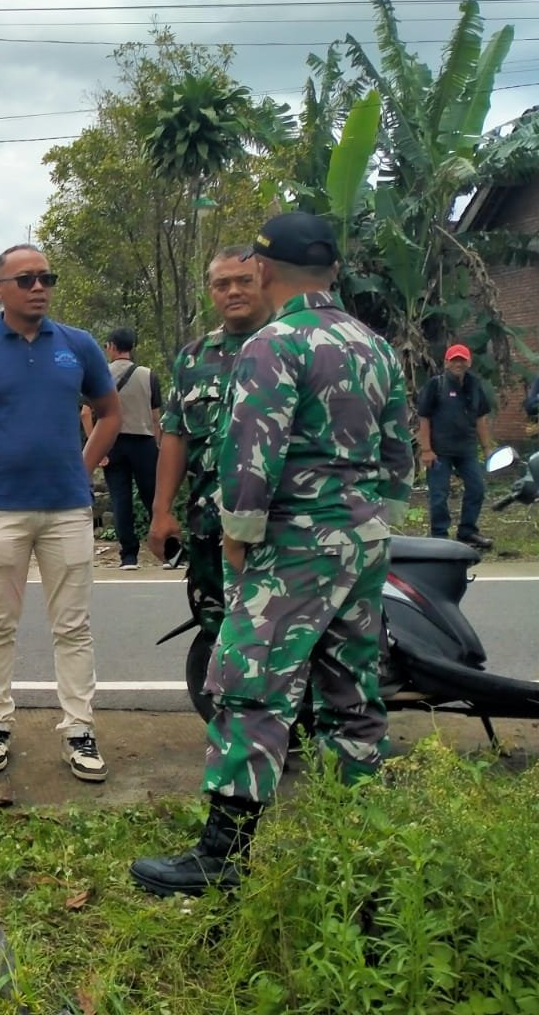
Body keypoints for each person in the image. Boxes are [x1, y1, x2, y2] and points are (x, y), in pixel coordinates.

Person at [131, 211, 413, 897]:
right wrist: (377, 522)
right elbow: (399, 451)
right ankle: (362, 849)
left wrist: (238, 536)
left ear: (261, 270)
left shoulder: (273, 344)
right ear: (333, 270)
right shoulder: (374, 345)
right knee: (352, 692)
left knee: (250, 687)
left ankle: (221, 856)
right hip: (363, 539)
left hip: (294, 545)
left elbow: (252, 454)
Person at [0, 244, 122, 783]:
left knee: (74, 626)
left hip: (67, 510)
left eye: (46, 278)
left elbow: (109, 413)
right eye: (25, 279)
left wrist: (82, 469)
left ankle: (80, 730)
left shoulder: (78, 346)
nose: (38, 287)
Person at [147, 249, 272, 637]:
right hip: (209, 527)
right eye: (222, 284)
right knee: (217, 631)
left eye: (244, 281)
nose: (233, 291)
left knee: (279, 636)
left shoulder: (289, 346)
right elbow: (175, 436)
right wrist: (161, 511)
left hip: (277, 528)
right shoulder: (193, 358)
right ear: (210, 291)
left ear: (265, 280)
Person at [81, 327, 161, 569]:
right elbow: (156, 417)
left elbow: (85, 413)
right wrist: (158, 445)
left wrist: (97, 445)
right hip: (144, 442)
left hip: (112, 443)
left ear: (112, 347)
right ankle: (168, 551)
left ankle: (129, 556)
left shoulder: (100, 375)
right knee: (153, 497)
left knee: (120, 498)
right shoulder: (149, 375)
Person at [417, 344, 496, 550]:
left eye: (462, 360)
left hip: (466, 450)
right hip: (439, 452)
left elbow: (480, 419)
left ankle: (467, 532)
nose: (458, 364)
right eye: (454, 360)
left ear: (469, 362)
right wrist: (426, 450)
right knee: (439, 495)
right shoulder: (436, 385)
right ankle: (439, 537)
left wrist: (487, 448)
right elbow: (424, 418)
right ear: (446, 363)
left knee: (477, 488)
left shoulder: (474, 385)